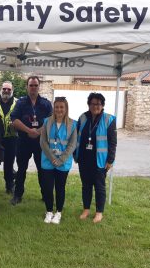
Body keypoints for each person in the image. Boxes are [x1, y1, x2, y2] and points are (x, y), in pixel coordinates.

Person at [10, 76, 52, 205]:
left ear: (39, 87)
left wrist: (38, 131)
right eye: (31, 85)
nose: (33, 88)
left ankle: (46, 196)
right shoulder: (21, 103)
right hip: (23, 141)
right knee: (21, 169)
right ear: (27, 87)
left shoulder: (45, 103)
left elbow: (51, 121)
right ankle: (17, 195)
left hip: (41, 142)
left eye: (35, 85)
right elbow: (14, 120)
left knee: (42, 169)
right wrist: (29, 131)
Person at [75, 92, 117, 223]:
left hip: (100, 161)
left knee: (99, 187)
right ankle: (86, 209)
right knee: (85, 186)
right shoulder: (82, 118)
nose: (95, 106)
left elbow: (113, 142)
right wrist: (74, 154)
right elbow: (76, 137)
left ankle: (99, 212)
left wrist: (110, 160)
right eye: (93, 103)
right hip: (83, 159)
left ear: (102, 105)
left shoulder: (109, 119)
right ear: (89, 104)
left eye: (98, 104)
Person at [40, 97, 77, 224]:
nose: (59, 109)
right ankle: (49, 211)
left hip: (63, 163)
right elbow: (43, 142)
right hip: (48, 161)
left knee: (60, 188)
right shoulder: (47, 122)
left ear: (66, 109)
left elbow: (72, 145)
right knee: (48, 188)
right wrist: (52, 158)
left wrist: (60, 160)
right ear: (53, 108)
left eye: (62, 107)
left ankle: (58, 213)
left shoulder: (73, 124)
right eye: (57, 107)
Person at [0, 81, 18, 194]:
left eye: (8, 89)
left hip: (12, 138)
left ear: (12, 91)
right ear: (0, 89)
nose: (6, 91)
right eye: (4, 89)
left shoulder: (18, 102)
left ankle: (9, 186)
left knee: (9, 163)